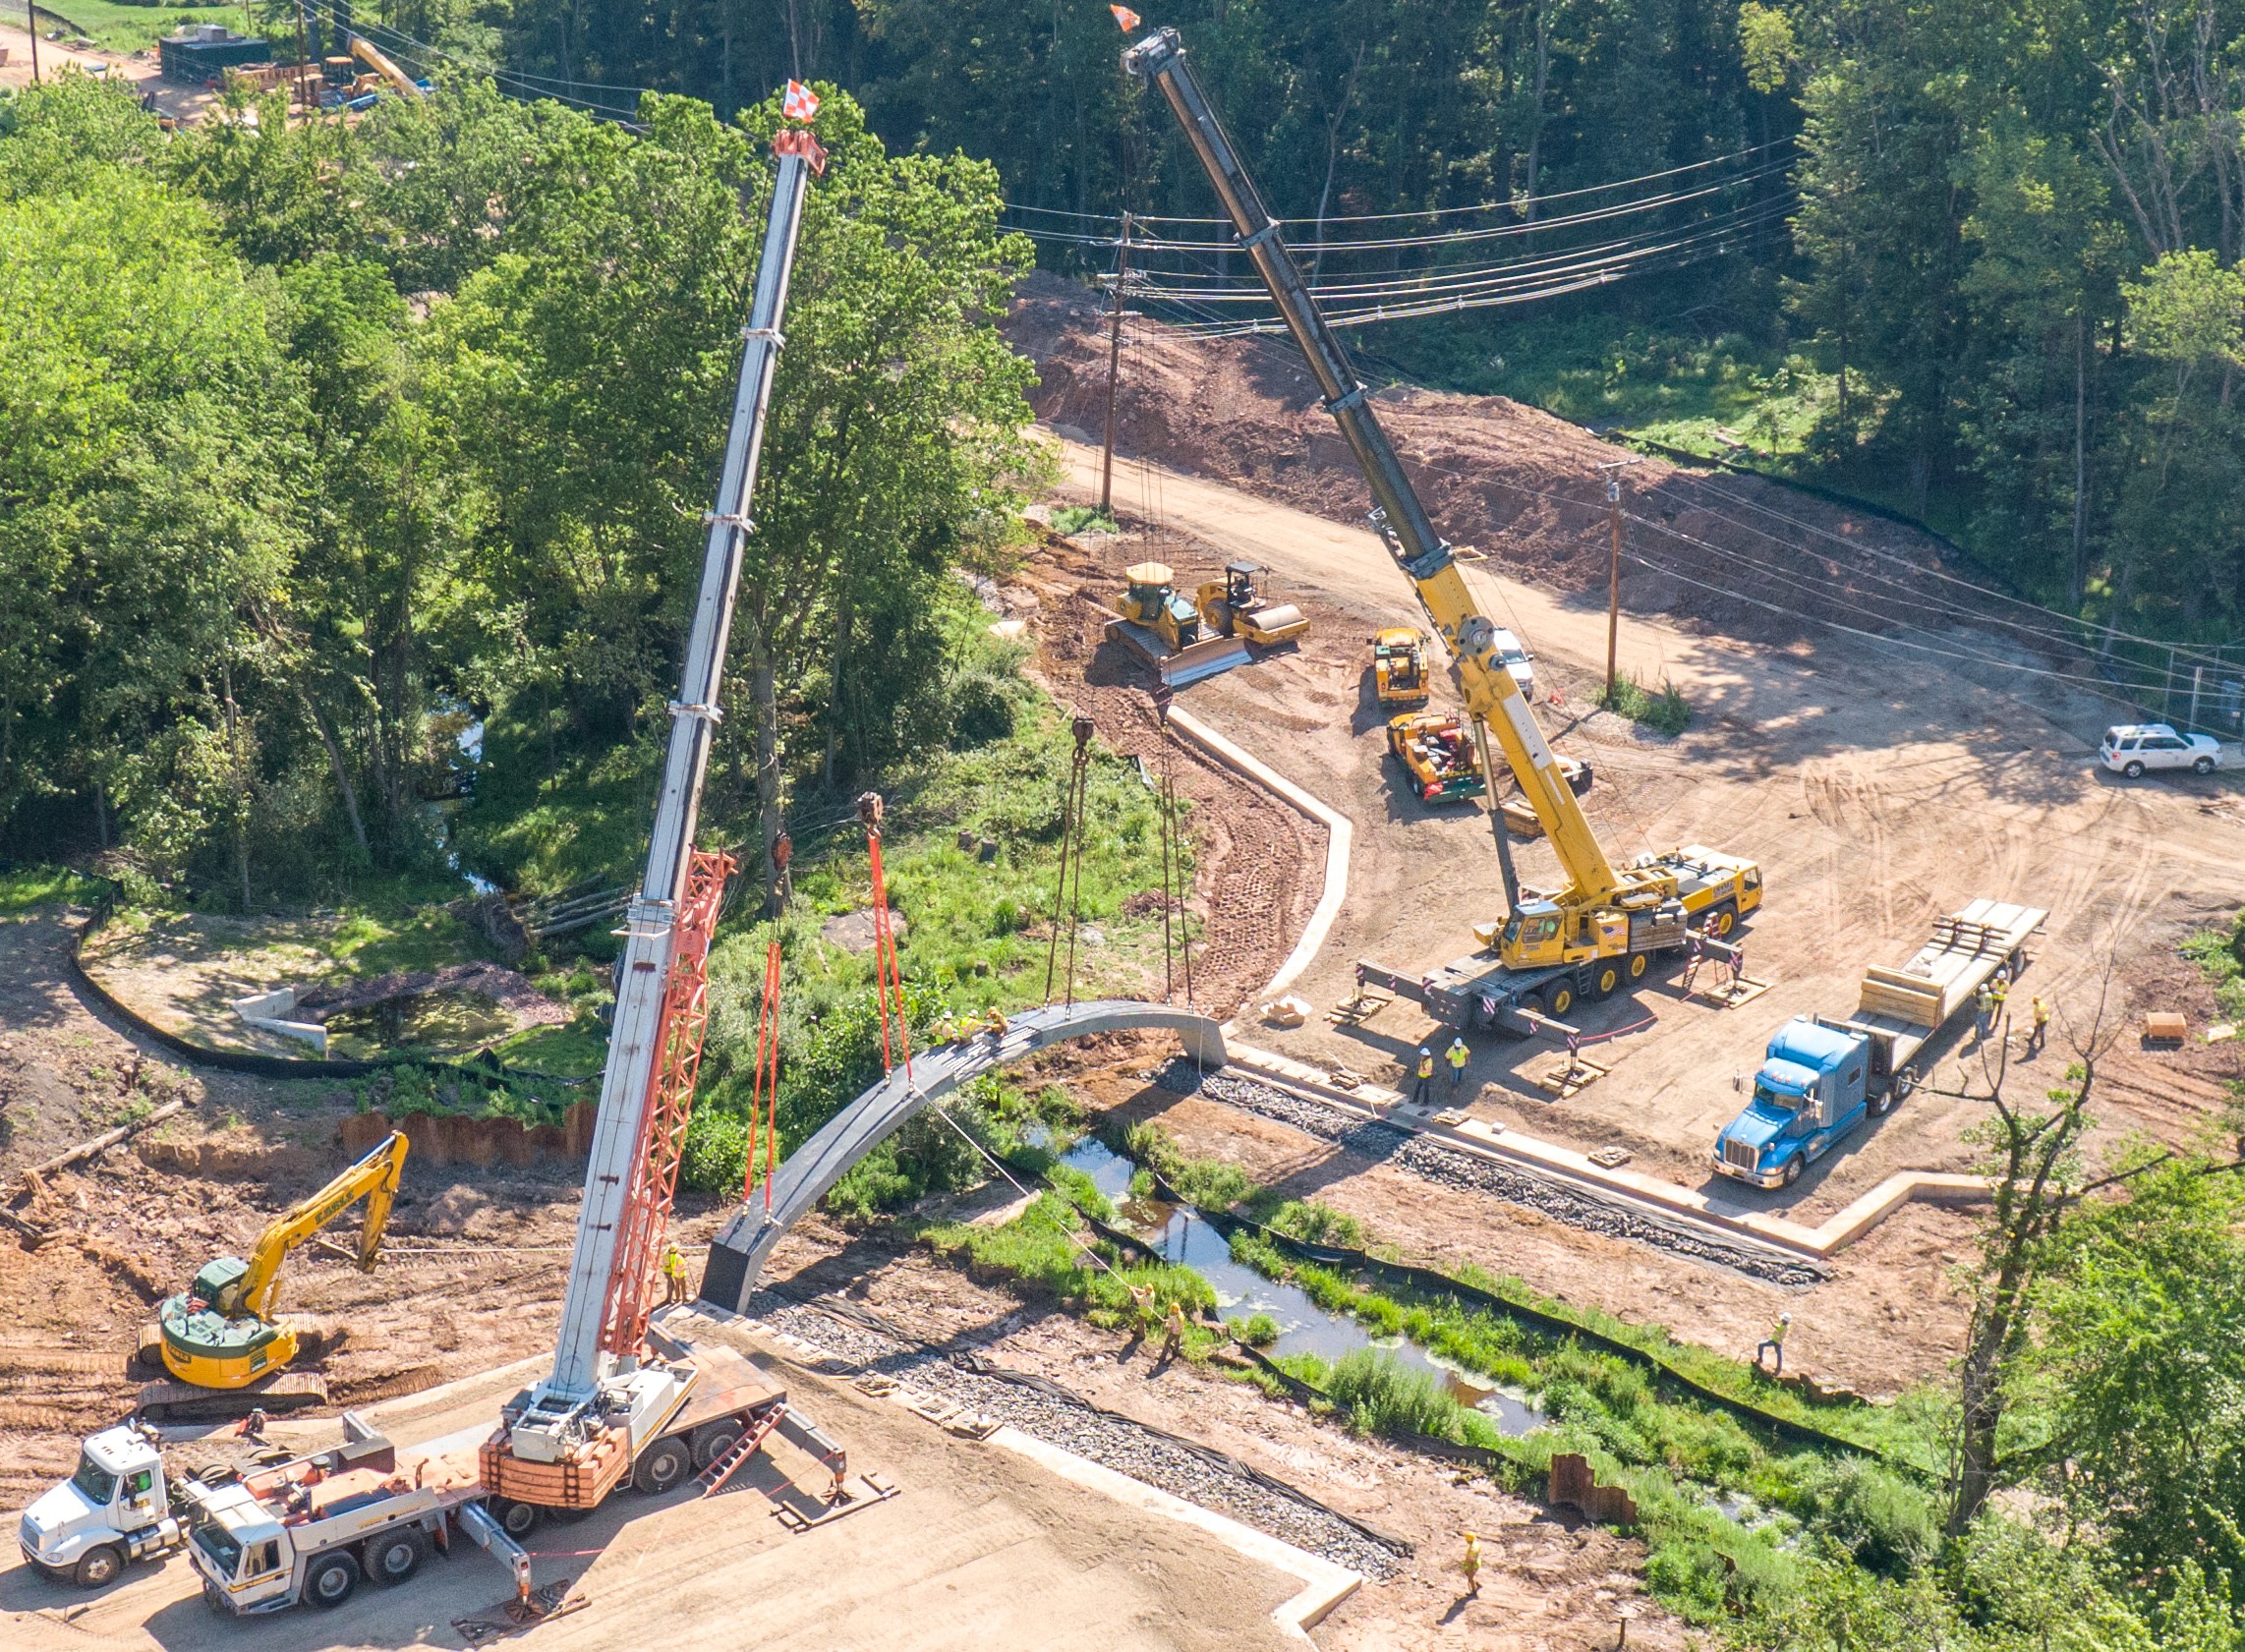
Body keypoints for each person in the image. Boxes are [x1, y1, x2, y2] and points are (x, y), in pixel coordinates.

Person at [661, 1240, 688, 1304]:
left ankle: (677, 1298)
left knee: (676, 1285)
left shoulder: (672, 1256)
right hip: (674, 1273)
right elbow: (681, 1266)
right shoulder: (675, 1257)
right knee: (676, 1285)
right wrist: (685, 1262)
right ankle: (680, 1299)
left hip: (674, 1272)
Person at [1160, 1299, 1187, 1364]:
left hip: (1174, 1332)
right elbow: (1173, 1322)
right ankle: (1176, 1352)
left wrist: (1166, 1323)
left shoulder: (1173, 1317)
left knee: (1167, 1342)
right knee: (1177, 1341)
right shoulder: (1181, 1314)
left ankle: (1163, 1356)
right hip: (1180, 1331)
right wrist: (1168, 1321)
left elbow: (1170, 1325)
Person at [1462, 1531, 1482, 1598]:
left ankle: (1474, 1591)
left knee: (1470, 1578)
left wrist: (1471, 1568)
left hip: (1473, 1564)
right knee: (1467, 1573)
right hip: (1473, 1562)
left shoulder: (1473, 1550)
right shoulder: (1475, 1543)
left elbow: (1472, 1560)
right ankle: (1477, 1584)